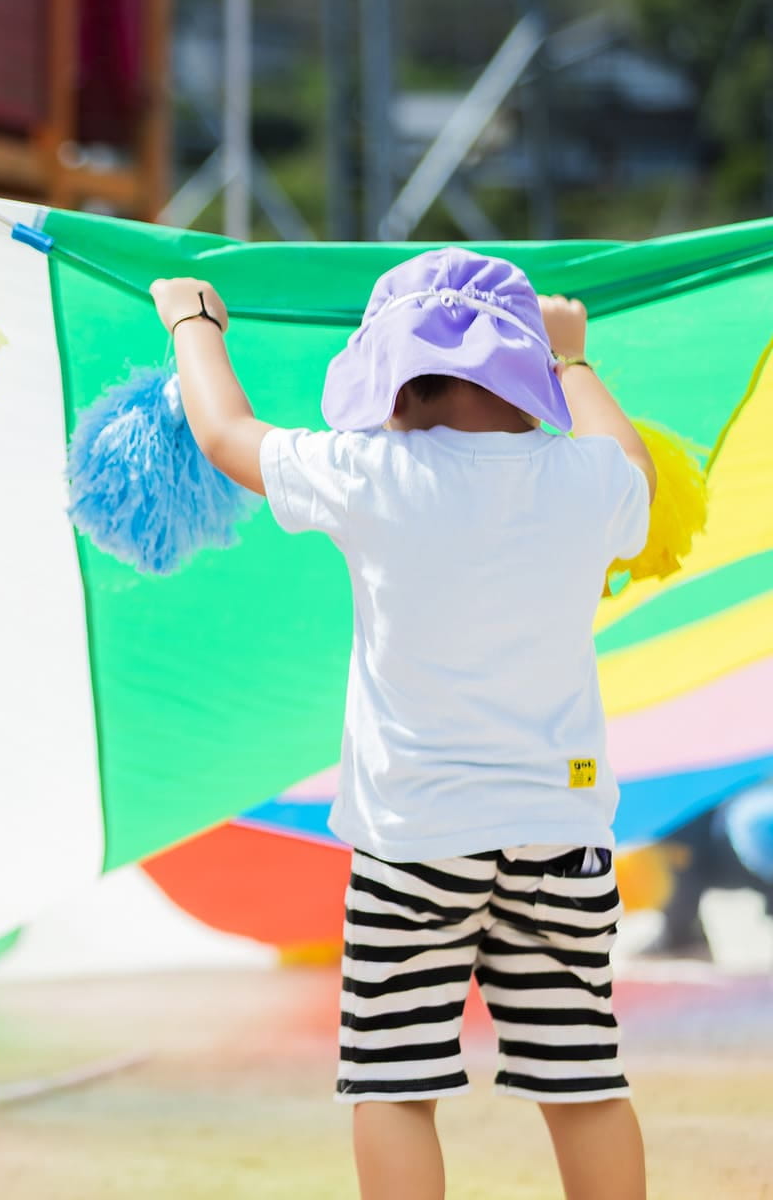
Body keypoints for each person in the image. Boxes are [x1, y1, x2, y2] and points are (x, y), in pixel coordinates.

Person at [153, 248, 656, 1200]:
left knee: (394, 1083)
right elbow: (634, 465)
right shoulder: (587, 482)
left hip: (415, 837)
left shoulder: (369, 473)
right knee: (584, 1078)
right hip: (563, 835)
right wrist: (577, 361)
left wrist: (193, 325)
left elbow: (226, 434)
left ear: (394, 382)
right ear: (523, 377)